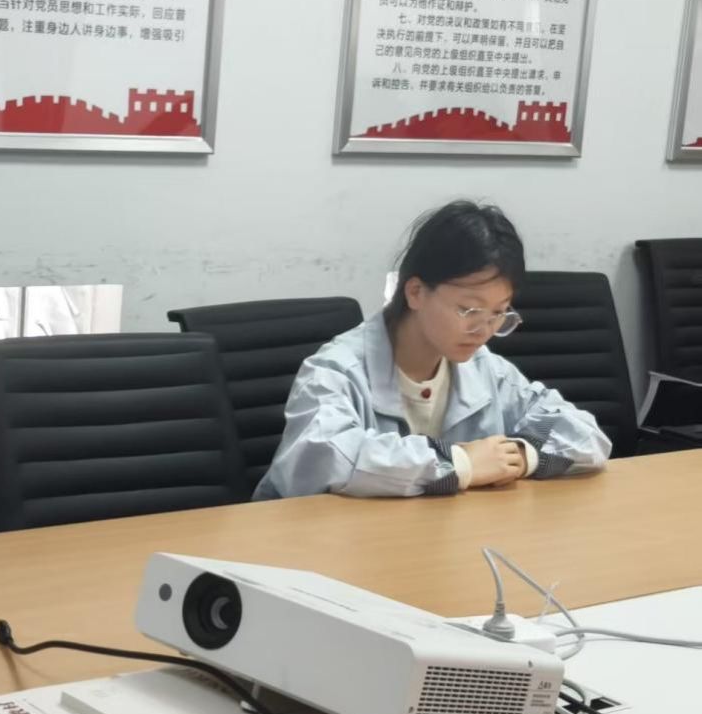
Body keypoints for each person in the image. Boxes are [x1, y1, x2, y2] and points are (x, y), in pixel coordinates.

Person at [255, 200, 611, 500]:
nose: (483, 330)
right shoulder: (336, 371)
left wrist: (520, 453)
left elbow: (585, 434)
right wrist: (459, 464)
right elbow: (322, 458)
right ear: (415, 292)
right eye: (468, 310)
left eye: (499, 313)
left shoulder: (486, 369)